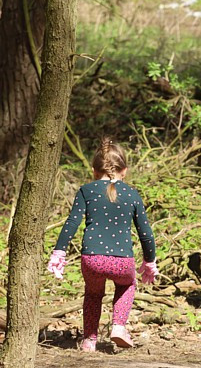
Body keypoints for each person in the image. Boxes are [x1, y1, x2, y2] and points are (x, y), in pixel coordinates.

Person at [47, 138, 159, 352]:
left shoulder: (86, 191)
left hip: (92, 259)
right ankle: (118, 326)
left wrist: (59, 252)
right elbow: (145, 234)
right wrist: (149, 261)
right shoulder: (132, 194)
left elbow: (72, 223)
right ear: (124, 171)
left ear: (94, 171)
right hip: (122, 261)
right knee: (127, 285)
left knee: (93, 294)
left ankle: (89, 340)